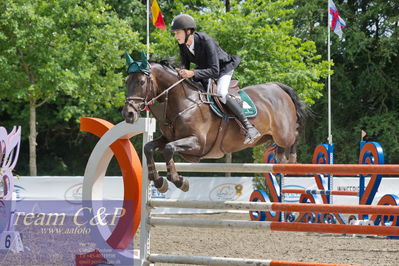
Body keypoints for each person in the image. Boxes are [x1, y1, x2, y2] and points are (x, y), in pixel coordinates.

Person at [170, 14, 260, 144]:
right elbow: (186, 64)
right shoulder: (182, 44)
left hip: (223, 69)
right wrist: (181, 71)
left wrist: (192, 73)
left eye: (177, 32)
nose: (176, 36)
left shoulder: (205, 40)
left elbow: (214, 70)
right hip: (204, 71)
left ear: (188, 31)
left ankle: (249, 127)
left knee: (221, 93)